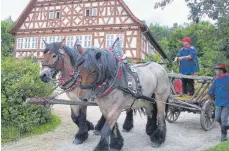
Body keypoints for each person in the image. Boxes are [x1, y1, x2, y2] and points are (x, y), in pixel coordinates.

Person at [207, 64, 229, 142]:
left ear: (221, 70)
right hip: (218, 103)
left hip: (227, 103)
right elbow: (212, 89)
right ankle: (225, 126)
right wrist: (209, 95)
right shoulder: (216, 79)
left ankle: (224, 136)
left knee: (223, 119)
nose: (215, 71)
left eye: (216, 69)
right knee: (217, 118)